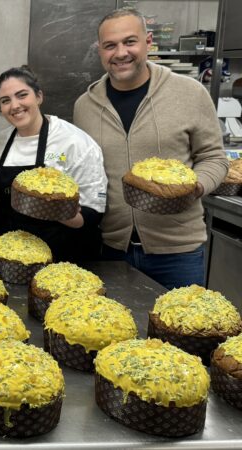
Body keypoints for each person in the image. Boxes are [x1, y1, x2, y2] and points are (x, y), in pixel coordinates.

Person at [74, 9, 228, 288]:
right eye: (110, 45)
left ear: (148, 41)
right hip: (111, 248)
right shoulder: (85, 106)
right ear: (100, 50)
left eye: (129, 42)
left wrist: (195, 188)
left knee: (181, 330)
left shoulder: (189, 93)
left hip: (178, 251)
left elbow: (213, 157)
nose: (121, 53)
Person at [0, 66, 108, 262]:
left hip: (64, 255)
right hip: (11, 258)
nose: (14, 105)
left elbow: (93, 212)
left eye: (22, 95)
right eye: (5, 101)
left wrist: (53, 209)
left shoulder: (74, 142)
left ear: (39, 96)